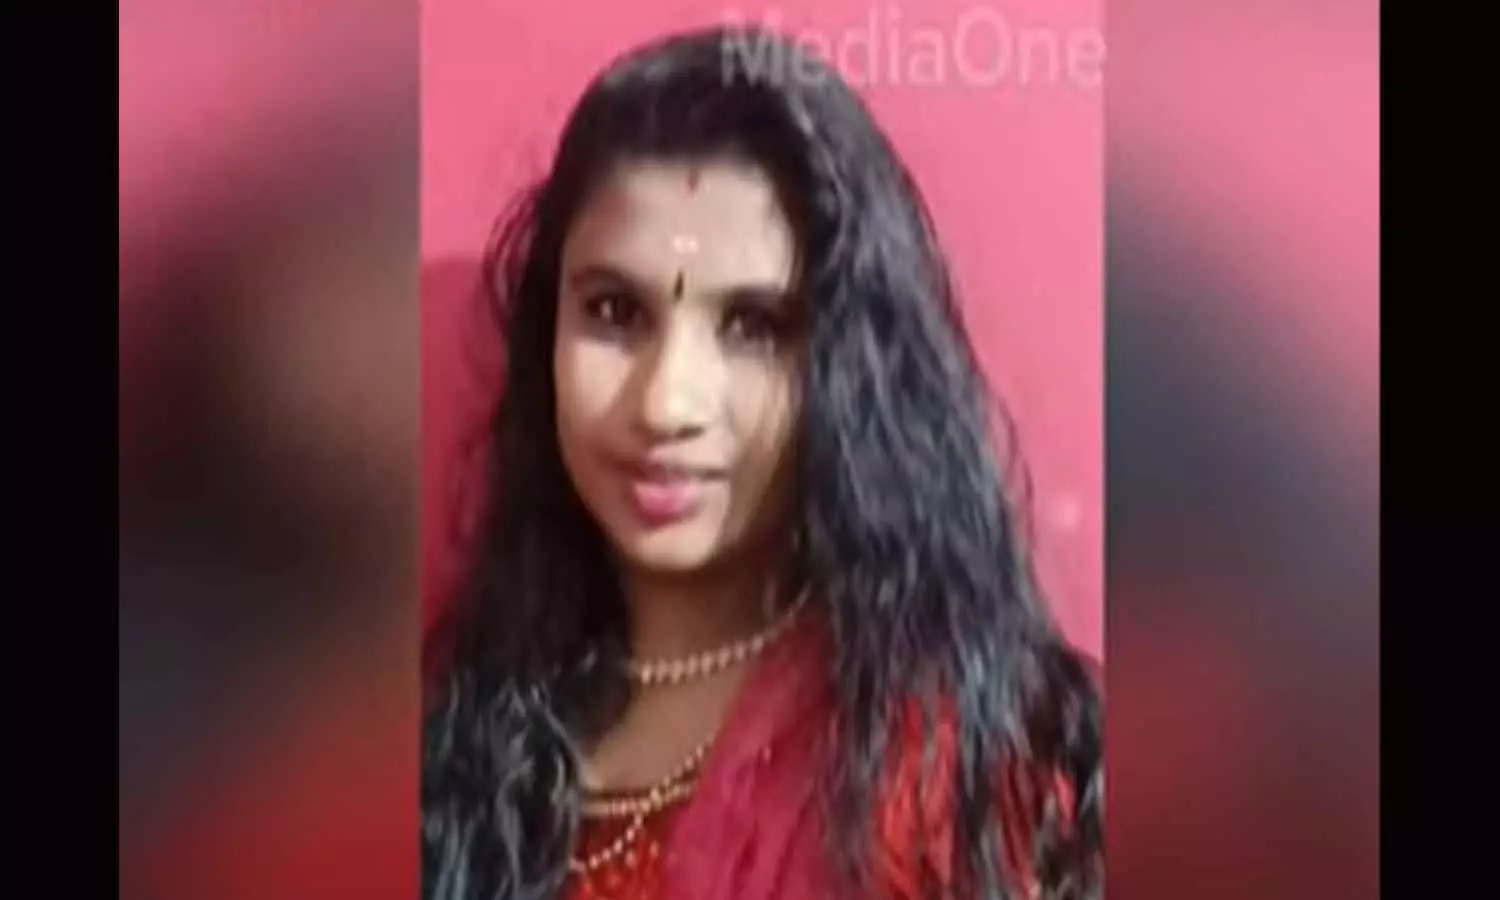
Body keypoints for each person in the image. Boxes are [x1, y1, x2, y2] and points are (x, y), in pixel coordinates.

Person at [422, 25, 1102, 900]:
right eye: (614, 312)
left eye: (753, 327)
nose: (666, 404)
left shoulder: (955, 767)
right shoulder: (472, 728)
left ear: (846, 367)